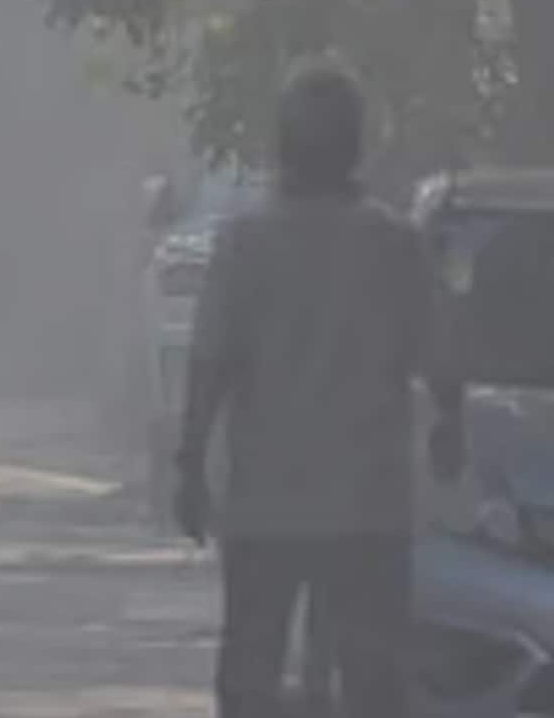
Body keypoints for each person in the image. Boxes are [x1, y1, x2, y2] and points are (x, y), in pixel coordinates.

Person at [175, 61, 465, 718]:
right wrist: (451, 427)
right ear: (356, 145)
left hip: (266, 505)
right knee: (373, 684)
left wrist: (190, 464)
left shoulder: (245, 243)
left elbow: (211, 361)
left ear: (283, 144)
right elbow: (441, 360)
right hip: (367, 507)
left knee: (251, 673)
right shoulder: (393, 244)